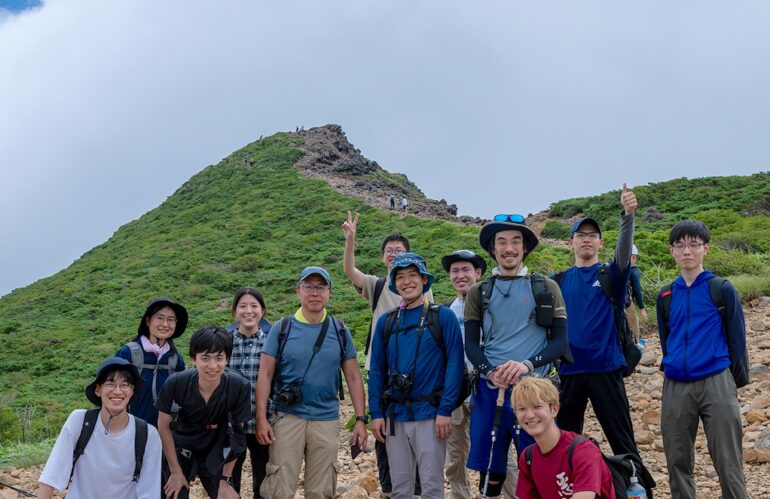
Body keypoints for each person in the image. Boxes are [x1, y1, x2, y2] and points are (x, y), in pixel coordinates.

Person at [463, 215, 570, 498]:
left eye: (515, 242)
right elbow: (471, 345)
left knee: (539, 461)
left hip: (534, 389)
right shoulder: (479, 291)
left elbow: (560, 343)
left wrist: (526, 364)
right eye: (502, 242)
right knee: (492, 469)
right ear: (493, 249)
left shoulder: (547, 287)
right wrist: (490, 371)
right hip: (490, 390)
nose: (509, 248)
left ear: (524, 248)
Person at [255, 266, 367, 499]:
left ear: (329, 292)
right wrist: (261, 418)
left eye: (320, 287)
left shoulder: (340, 330)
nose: (314, 292)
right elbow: (264, 375)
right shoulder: (282, 328)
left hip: (326, 418)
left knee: (322, 488)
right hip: (287, 417)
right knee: (280, 487)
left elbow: (354, 377)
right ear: (298, 291)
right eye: (308, 286)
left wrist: (360, 420)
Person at [342, 210, 432, 496]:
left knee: (416, 425)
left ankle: (417, 487)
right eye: (389, 251)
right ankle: (390, 487)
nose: (394, 254)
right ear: (383, 257)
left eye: (399, 251)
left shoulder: (424, 290)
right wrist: (350, 241)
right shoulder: (377, 284)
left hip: (417, 369)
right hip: (381, 367)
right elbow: (349, 271)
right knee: (384, 427)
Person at [656, 220, 746, 498]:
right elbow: (666, 338)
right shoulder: (666, 295)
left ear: (705, 248)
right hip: (676, 385)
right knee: (677, 461)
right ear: (672, 250)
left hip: (716, 380)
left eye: (694, 244)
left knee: (728, 461)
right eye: (680, 245)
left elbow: (737, 340)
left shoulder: (721, 288)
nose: (687, 251)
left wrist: (732, 381)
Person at [554, 184, 640, 459]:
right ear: (571, 242)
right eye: (581, 235)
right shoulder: (558, 281)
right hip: (569, 372)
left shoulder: (610, 275)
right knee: (564, 444)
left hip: (606, 368)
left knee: (623, 441)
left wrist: (628, 216)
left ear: (601, 243)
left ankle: (636, 487)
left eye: (593, 235)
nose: (587, 239)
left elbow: (624, 254)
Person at [369, 253, 465, 499]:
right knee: (400, 487)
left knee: (432, 486)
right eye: (400, 277)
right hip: (395, 416)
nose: (406, 281)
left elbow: (455, 365)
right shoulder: (386, 323)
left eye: (413, 275)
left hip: (431, 415)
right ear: (394, 283)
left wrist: (445, 410)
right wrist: (376, 414)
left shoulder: (442, 317)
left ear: (424, 280)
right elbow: (377, 371)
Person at [38, 357, 162, 498]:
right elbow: (50, 476)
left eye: (125, 385)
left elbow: (150, 492)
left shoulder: (148, 434)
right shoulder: (80, 421)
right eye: (110, 383)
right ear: (98, 390)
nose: (117, 391)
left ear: (132, 391)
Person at [157, 325, 251, 499]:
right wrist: (175, 471)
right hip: (182, 447)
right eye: (205, 358)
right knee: (172, 493)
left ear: (227, 359)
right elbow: (163, 427)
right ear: (194, 358)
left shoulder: (239, 386)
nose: (213, 366)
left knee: (227, 495)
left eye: (219, 358)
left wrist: (225, 479)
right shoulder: (177, 383)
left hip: (217, 449)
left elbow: (236, 437)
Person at [513, 377, 616, 499]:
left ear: (555, 409)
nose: (529, 415)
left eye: (537, 406)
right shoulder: (528, 458)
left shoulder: (583, 450)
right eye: (522, 409)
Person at [440, 250, 485, 499]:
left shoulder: (490, 305)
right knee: (455, 456)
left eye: (466, 270)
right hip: (455, 392)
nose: (460, 276)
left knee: (494, 449)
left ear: (477, 273)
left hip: (486, 388)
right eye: (455, 271)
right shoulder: (446, 311)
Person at [115, 297, 188, 427]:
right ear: (148, 320)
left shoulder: (175, 359)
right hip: (131, 429)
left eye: (171, 320)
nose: (165, 324)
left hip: (165, 432)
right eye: (159, 318)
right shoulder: (128, 353)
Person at [227, 288, 271, 497]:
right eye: (242, 306)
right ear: (235, 311)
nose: (248, 311)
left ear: (262, 311)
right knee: (228, 480)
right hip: (230, 425)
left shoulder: (272, 342)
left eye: (254, 306)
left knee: (263, 483)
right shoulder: (224, 342)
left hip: (263, 423)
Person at [626, 245, 649, 343]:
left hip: (613, 304)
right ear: (634, 257)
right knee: (634, 332)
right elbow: (637, 289)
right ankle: (635, 349)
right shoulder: (634, 270)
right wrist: (642, 309)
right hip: (627, 303)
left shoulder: (615, 269)